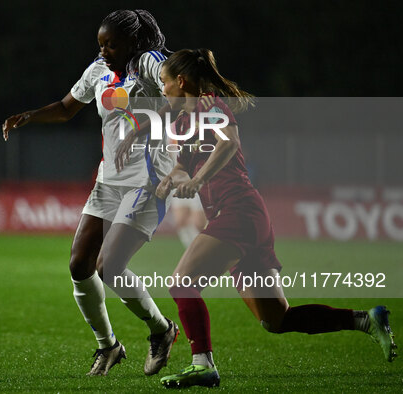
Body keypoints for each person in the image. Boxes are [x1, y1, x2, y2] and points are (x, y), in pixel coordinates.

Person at [154, 48, 397, 388]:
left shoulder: (212, 107)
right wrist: (172, 180)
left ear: (181, 82)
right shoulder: (181, 122)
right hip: (244, 218)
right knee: (276, 319)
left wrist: (198, 180)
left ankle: (202, 364)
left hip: (237, 211)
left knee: (181, 282)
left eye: (164, 82)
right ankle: (365, 320)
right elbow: (182, 166)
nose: (161, 89)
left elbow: (228, 144)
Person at [2, 10, 179, 376]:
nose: (104, 50)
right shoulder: (98, 70)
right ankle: (108, 346)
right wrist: (31, 116)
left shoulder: (148, 63)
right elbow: (68, 108)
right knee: (80, 265)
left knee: (109, 266)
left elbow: (179, 98)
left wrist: (144, 123)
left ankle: (162, 331)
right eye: (100, 43)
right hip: (109, 181)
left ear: (133, 41)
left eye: (111, 43)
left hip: (148, 179)